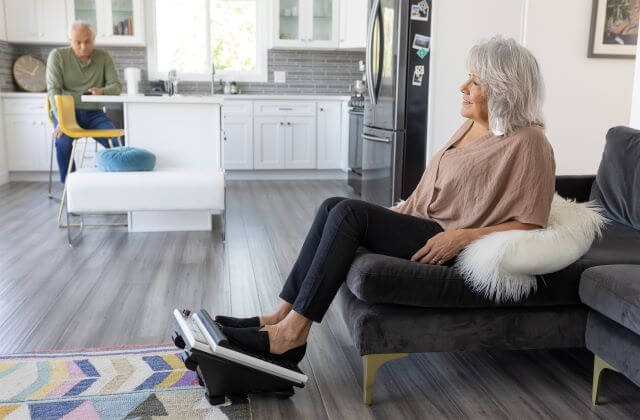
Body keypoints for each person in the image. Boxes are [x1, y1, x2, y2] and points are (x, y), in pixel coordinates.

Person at [215, 36, 557, 364]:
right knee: (332, 205)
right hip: (423, 223)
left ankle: (291, 336)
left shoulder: (530, 142)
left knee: (349, 212)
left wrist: (462, 237)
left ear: (503, 90)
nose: (463, 88)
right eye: (467, 78)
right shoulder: (470, 126)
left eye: (476, 82)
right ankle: (279, 315)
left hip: (445, 239)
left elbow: (532, 220)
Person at [46, 21, 122, 183]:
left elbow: (116, 87)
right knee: (63, 142)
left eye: (87, 41)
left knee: (117, 143)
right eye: (77, 42)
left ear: (94, 39)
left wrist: (102, 91)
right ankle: (70, 186)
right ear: (69, 41)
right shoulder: (57, 56)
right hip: (66, 113)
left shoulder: (103, 57)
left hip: (94, 113)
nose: (83, 46)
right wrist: (60, 119)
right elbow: (53, 90)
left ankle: (120, 184)